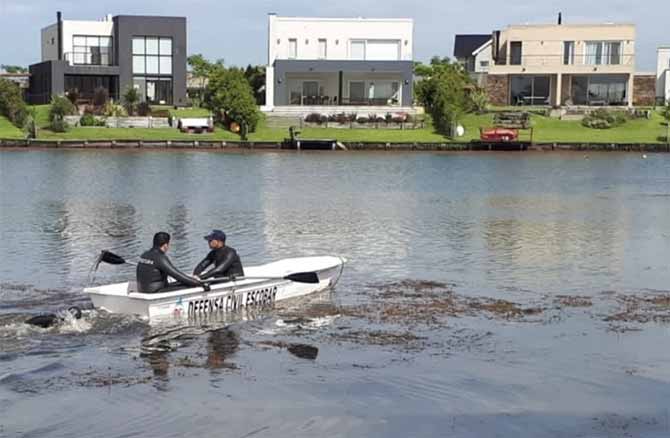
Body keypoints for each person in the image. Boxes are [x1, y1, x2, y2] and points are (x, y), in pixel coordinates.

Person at [136, 232, 207, 293]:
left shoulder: (144, 254)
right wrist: (198, 283)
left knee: (180, 283)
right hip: (156, 291)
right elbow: (177, 276)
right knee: (190, 285)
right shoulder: (160, 257)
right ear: (165, 245)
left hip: (142, 290)